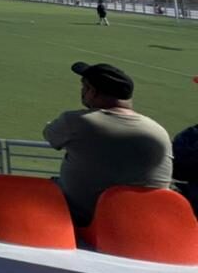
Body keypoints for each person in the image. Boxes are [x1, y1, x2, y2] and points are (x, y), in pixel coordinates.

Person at [42, 62, 173, 227]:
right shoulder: (158, 130)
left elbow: (50, 135)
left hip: (81, 218)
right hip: (145, 222)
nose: (82, 92)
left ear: (93, 92)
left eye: (85, 87)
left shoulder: (76, 121)